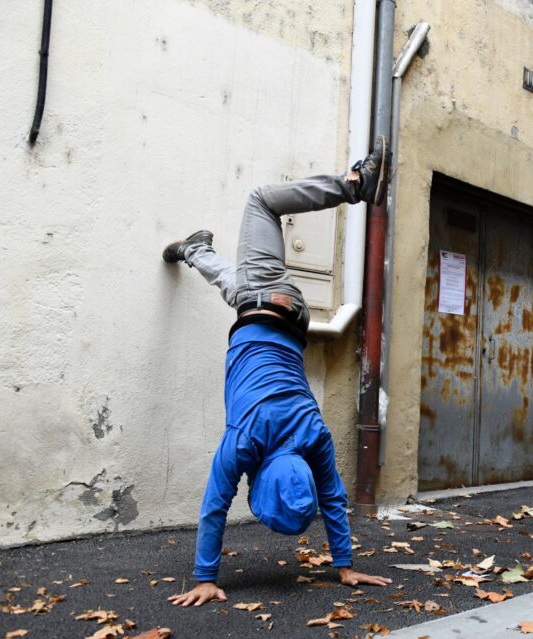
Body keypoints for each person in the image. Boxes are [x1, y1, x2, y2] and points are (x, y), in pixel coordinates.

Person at [164, 139, 393, 607]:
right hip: (266, 297)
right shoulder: (244, 439)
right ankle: (356, 185)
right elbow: (214, 506)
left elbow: (334, 498)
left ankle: (194, 250)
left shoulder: (315, 436)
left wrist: (345, 564)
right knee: (261, 201)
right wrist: (204, 576)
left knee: (234, 285)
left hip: (288, 319)